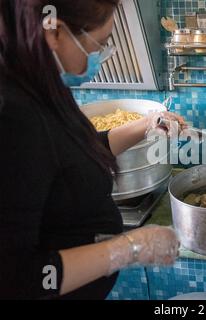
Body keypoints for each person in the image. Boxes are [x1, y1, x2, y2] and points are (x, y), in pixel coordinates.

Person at [0, 0, 184, 300]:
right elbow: (16, 280)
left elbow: (71, 155)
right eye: (100, 44)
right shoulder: (12, 117)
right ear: (54, 32)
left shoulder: (39, 87)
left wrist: (147, 124)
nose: (101, 55)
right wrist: (128, 248)